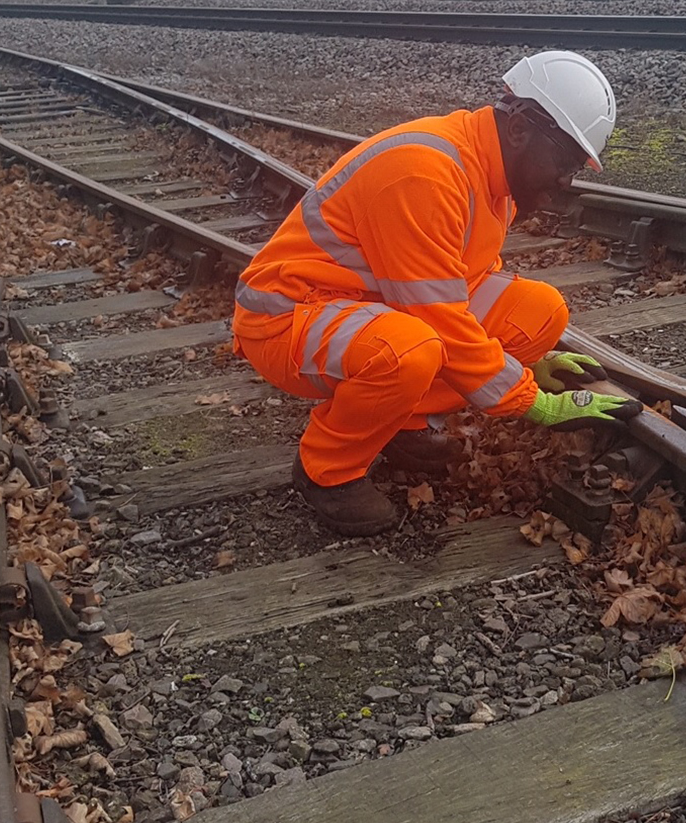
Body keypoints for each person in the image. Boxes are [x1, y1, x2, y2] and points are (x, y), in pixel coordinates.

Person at [231, 49, 643, 537]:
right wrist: (529, 399)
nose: (565, 180)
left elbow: (461, 283)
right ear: (519, 131)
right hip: (288, 316)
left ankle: (401, 422)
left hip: (373, 306)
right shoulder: (424, 172)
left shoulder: (492, 179)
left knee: (539, 313)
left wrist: (527, 362)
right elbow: (441, 316)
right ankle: (327, 470)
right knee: (409, 350)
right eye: (565, 161)